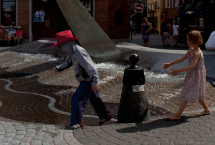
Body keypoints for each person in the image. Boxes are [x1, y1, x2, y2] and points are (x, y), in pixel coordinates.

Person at [53, 30, 112, 129]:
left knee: (77, 98)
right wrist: (58, 68)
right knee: (94, 98)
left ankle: (77, 122)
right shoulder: (73, 52)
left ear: (66, 44)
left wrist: (94, 82)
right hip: (87, 79)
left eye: (61, 46)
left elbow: (91, 68)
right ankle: (105, 116)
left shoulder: (79, 52)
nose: (61, 49)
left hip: (88, 80)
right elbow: (68, 62)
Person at [163, 30, 211, 120]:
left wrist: (178, 70)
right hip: (193, 74)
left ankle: (177, 115)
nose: (187, 42)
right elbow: (182, 59)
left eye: (188, 40)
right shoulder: (191, 50)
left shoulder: (197, 53)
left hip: (196, 75)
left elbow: (192, 66)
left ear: (194, 41)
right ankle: (207, 110)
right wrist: (170, 63)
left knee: (186, 92)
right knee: (199, 93)